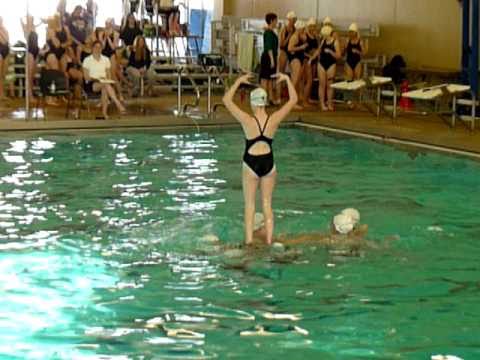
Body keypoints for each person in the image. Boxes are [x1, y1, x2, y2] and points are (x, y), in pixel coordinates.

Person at [222, 72, 298, 245]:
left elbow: (227, 100)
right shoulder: (274, 119)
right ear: (264, 102)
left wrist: (238, 82)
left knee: (250, 205)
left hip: (250, 163)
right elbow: (293, 100)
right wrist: (286, 79)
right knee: (267, 204)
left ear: (252, 103)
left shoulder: (247, 120)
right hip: (269, 163)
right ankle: (270, 241)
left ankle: (249, 242)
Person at [82, 40, 126, 119]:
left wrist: (105, 79)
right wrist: (98, 79)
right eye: (96, 47)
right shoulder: (87, 60)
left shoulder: (106, 59)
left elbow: (108, 75)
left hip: (103, 83)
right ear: (92, 48)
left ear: (102, 49)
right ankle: (118, 104)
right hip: (91, 83)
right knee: (105, 86)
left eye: (99, 47)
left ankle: (104, 113)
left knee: (105, 87)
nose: (98, 49)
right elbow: (86, 77)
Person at [310, 25, 341, 111]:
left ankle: (330, 103)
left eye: (324, 35)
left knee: (330, 85)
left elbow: (338, 55)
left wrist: (331, 52)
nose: (323, 36)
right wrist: (311, 59)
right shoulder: (323, 41)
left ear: (327, 34)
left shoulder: (335, 42)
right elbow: (318, 51)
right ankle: (322, 104)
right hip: (321, 64)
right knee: (322, 84)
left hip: (331, 64)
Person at [287, 20, 308, 109]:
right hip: (295, 59)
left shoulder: (299, 36)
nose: (304, 30)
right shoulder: (294, 37)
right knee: (294, 81)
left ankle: (297, 100)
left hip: (299, 58)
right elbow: (289, 48)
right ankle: (292, 102)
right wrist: (301, 47)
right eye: (303, 29)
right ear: (300, 28)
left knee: (298, 80)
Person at [260, 13, 279, 105]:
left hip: (272, 57)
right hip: (268, 57)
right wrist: (272, 60)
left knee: (271, 79)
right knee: (265, 79)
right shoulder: (268, 33)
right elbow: (269, 48)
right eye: (276, 20)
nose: (277, 22)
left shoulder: (271, 32)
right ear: (271, 21)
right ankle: (264, 100)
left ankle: (271, 98)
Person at [21, 15, 40, 100]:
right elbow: (20, 19)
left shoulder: (34, 27)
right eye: (29, 18)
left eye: (32, 18)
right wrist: (25, 16)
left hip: (36, 51)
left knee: (32, 75)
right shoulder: (25, 27)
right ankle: (30, 96)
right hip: (30, 53)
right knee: (29, 75)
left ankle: (31, 93)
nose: (31, 20)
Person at [303, 17, 320, 105]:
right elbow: (303, 51)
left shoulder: (315, 36)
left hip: (314, 60)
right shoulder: (305, 35)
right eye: (311, 26)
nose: (313, 28)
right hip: (307, 60)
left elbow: (318, 48)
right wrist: (310, 56)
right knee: (308, 80)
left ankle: (308, 98)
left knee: (312, 80)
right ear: (308, 26)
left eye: (314, 26)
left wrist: (314, 57)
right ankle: (304, 100)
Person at [0, 17, 10, 100]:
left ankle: (2, 93)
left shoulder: (5, 29)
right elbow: (3, 40)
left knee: (4, 74)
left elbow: (7, 41)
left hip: (6, 51)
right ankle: (1, 94)